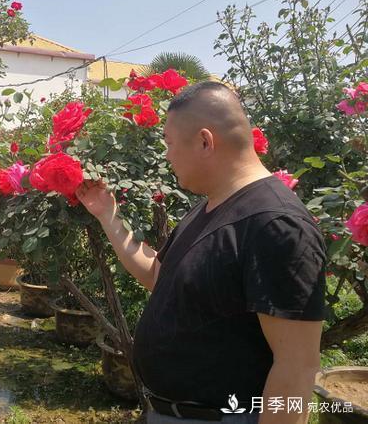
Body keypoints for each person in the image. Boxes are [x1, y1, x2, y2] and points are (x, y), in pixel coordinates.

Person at [76, 81, 326, 424]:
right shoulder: (210, 207)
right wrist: (108, 214)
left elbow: (297, 367)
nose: (167, 155)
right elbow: (155, 275)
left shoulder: (276, 225)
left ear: (205, 142)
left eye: (169, 144)